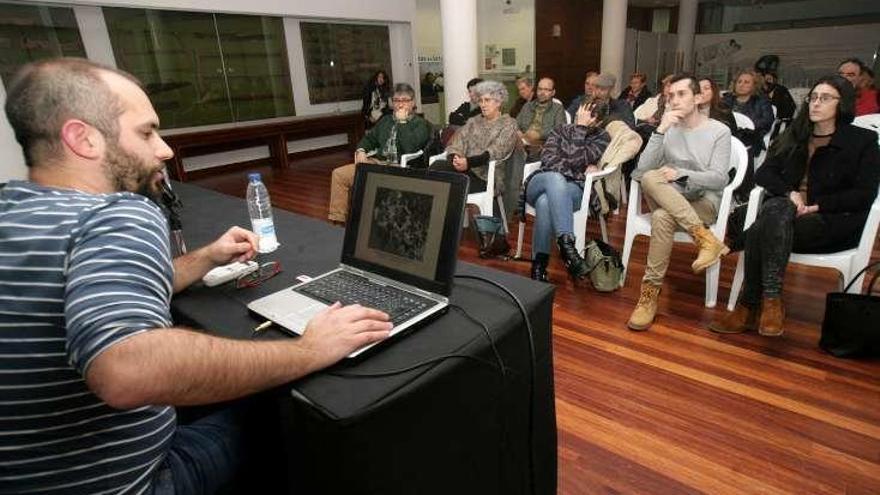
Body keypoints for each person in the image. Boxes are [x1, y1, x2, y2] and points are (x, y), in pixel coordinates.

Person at [0, 58, 393, 494]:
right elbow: (124, 369)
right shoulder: (117, 213)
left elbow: (85, 292)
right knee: (283, 410)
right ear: (83, 138)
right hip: (140, 482)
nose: (164, 149)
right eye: (146, 132)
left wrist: (205, 258)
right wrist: (309, 349)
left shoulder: (15, 209)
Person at [710, 75, 880, 337]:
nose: (815, 103)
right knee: (777, 211)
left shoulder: (861, 141)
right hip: (785, 215)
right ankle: (771, 301)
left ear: (842, 103)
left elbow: (864, 194)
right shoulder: (796, 135)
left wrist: (818, 205)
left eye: (825, 98)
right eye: (813, 97)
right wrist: (791, 193)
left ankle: (748, 306)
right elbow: (764, 174)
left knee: (761, 227)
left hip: (829, 220)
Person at [627, 73, 732, 331]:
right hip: (670, 195)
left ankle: (649, 295)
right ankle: (705, 239)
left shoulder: (719, 131)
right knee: (651, 176)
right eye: (671, 95)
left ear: (698, 98)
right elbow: (641, 173)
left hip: (704, 202)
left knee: (662, 218)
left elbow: (719, 179)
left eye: (681, 94)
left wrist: (683, 174)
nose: (674, 100)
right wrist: (660, 130)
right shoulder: (668, 130)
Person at [523, 101, 611, 282]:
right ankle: (568, 249)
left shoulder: (602, 137)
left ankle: (539, 265)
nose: (582, 118)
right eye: (581, 113)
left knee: (545, 203)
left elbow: (576, 158)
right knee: (556, 179)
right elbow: (547, 159)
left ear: (599, 122)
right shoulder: (560, 130)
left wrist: (580, 129)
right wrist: (576, 170)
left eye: (590, 117)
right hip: (542, 180)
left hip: (574, 190)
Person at [328, 83, 432, 223]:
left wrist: (402, 122)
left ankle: (375, 220)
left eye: (405, 100)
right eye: (396, 100)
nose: (400, 104)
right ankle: (337, 220)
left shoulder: (420, 124)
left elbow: (410, 148)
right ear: (392, 103)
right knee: (339, 175)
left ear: (412, 103)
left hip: (400, 166)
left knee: (373, 183)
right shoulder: (386, 121)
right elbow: (369, 139)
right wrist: (361, 151)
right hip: (377, 162)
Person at [430, 80, 519, 199]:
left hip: (487, 177)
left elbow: (497, 151)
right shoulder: (473, 122)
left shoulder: (509, 124)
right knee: (436, 167)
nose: (483, 104)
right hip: (465, 169)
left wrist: (468, 162)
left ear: (499, 102)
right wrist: (455, 158)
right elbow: (456, 144)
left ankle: (449, 214)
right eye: (481, 101)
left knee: (445, 183)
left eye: (487, 100)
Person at [722, 69, 774, 154]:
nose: (741, 85)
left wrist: (744, 125)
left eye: (746, 82)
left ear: (754, 85)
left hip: (750, 139)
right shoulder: (726, 100)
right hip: (726, 138)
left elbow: (767, 121)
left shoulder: (762, 101)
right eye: (739, 82)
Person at [516, 77, 567, 159]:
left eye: (547, 90)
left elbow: (560, 131)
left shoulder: (557, 108)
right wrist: (518, 132)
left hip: (542, 147)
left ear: (553, 92)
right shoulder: (528, 106)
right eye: (540, 89)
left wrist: (539, 135)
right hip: (522, 143)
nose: (542, 92)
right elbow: (516, 124)